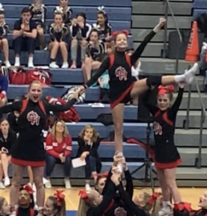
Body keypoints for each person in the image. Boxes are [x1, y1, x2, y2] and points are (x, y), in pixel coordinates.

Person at [80, 17, 198, 154]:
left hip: (129, 89)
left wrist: (157, 27)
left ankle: (182, 78)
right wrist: (85, 86)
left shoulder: (130, 58)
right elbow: (97, 74)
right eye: (119, 40)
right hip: (117, 97)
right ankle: (119, 155)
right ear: (115, 44)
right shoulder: (110, 59)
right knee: (119, 128)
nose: (122, 41)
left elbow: (144, 44)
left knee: (151, 80)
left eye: (124, 39)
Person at [0, 80, 80, 216]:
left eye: (38, 91)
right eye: (33, 90)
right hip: (21, 145)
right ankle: (13, 211)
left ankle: (40, 212)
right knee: (16, 181)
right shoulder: (20, 104)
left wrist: (75, 97)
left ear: (41, 92)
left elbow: (64, 108)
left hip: (37, 147)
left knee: (39, 182)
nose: (36, 93)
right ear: (28, 92)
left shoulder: (45, 105)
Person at [143, 83, 185, 216]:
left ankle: (181, 210)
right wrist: (150, 88)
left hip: (169, 153)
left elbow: (178, 103)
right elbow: (144, 101)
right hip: (159, 153)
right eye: (160, 100)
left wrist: (182, 89)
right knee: (163, 184)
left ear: (169, 102)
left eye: (165, 100)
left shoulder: (170, 114)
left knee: (171, 183)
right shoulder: (156, 112)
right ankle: (167, 206)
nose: (162, 103)